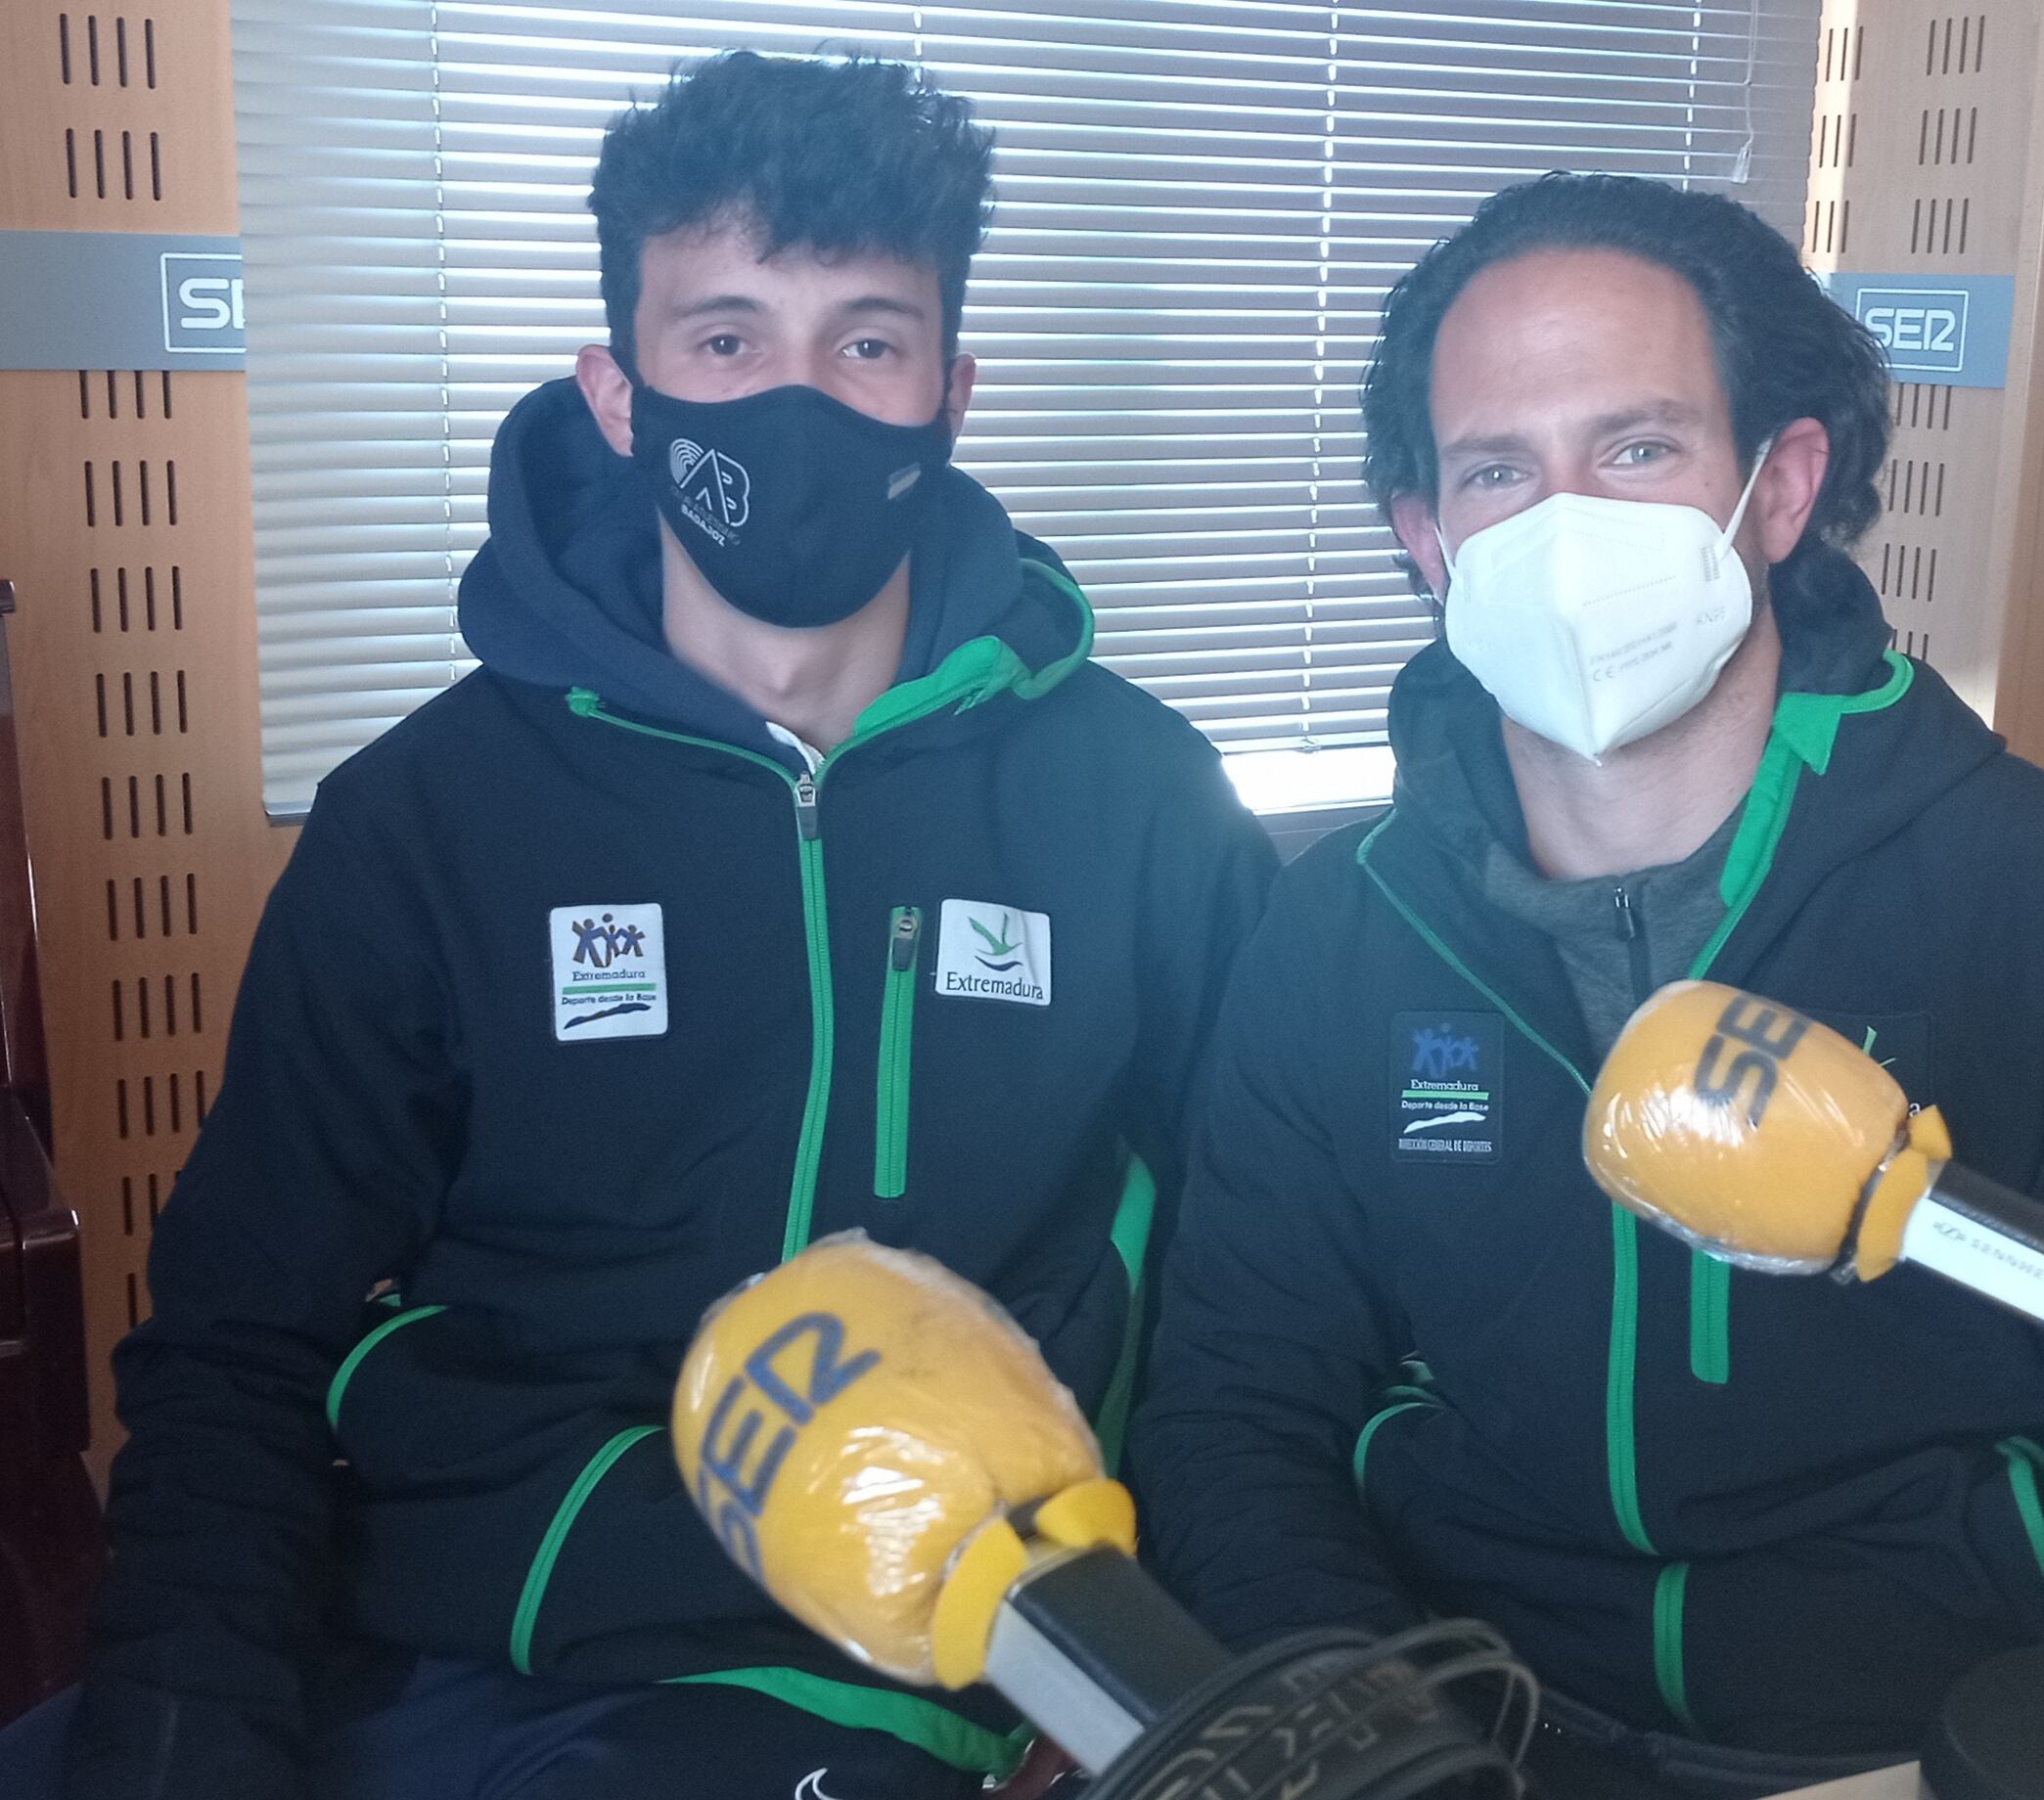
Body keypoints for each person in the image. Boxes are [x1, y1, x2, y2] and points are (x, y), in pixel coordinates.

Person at [21, 50, 1273, 1800]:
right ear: (621, 397)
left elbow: (1264, 1295)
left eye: (866, 342)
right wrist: (179, 1741)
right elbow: (243, 1339)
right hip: (484, 1632)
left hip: (947, 1656)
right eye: (727, 340)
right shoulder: (423, 826)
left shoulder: (1138, 798)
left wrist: (1178, 1667)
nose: (796, 398)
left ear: (952, 393)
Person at [1130, 174, 2044, 1797]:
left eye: (1636, 450)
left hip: (1934, 1753)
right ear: (1423, 539)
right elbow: (1238, 1422)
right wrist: (1396, 1764)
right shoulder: (1336, 937)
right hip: (1474, 1749)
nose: (1567, 523)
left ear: (1780, 487)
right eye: (1500, 470)